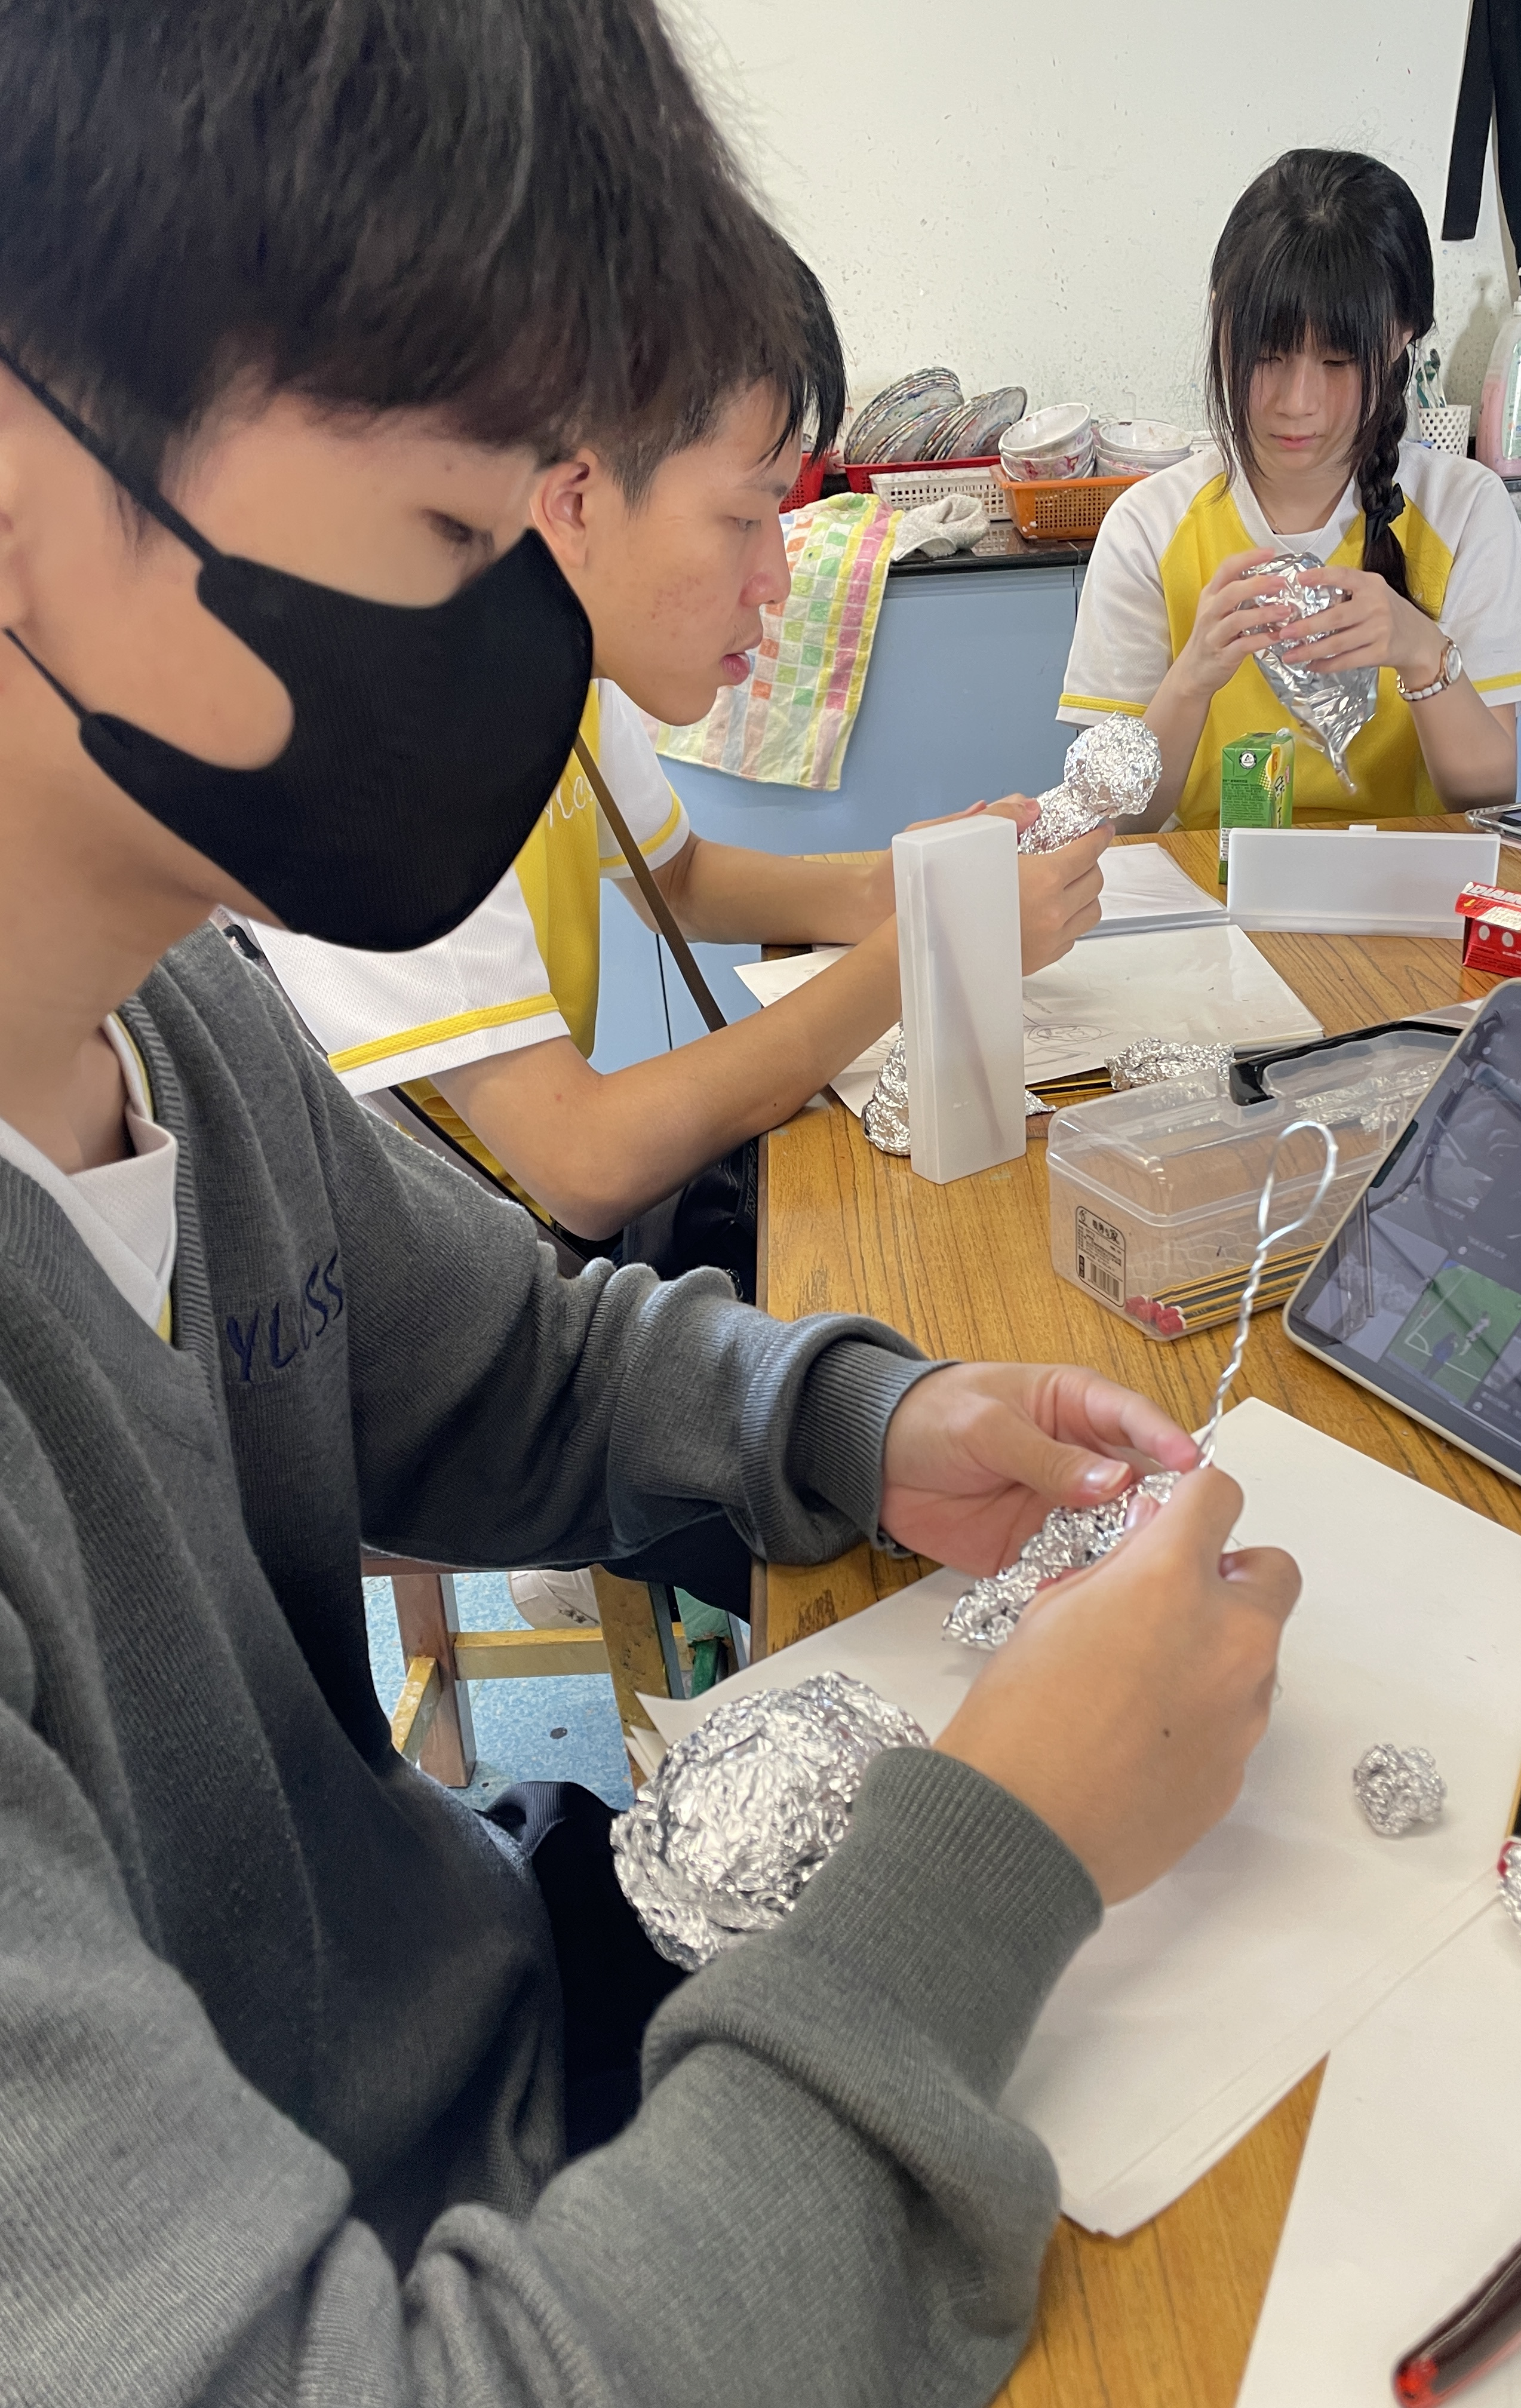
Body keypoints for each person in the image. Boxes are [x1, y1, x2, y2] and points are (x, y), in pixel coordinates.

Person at [0, 4, 1298, 2404]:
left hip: (490, 2043)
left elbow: (514, 1362)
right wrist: (1001, 1844)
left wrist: (862, 1421)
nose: (516, 629)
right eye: (453, 532)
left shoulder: (175, 1020)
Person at [242, 256, 1109, 1636]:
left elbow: (685, 878)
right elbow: (583, 1165)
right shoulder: (384, 739)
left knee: (928, 1329)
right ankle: (609, 1574)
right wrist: (926, 951)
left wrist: (916, 877)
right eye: (749, 515)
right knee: (910, 1539)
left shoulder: (545, 662)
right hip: (469, 1343)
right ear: (576, 498)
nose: (780, 576)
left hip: (545, 1279)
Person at [1059, 149, 1521, 832]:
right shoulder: (1148, 527)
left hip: (1401, 888)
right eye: (1268, 355)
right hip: (1209, 884)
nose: (1297, 403)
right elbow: (1114, 821)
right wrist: (1193, 676)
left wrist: (1421, 651)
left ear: (1402, 335)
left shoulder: (1465, 511)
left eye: (1338, 360)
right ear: (1221, 319)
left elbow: (1487, 794)